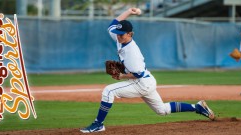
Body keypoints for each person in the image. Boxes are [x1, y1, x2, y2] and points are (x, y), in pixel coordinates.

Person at [80, 8, 215, 133]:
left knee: (108, 91)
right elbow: (112, 25)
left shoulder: (133, 53)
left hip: (141, 82)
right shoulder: (118, 38)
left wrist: (121, 76)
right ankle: (197, 107)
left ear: (130, 34)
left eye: (122, 34)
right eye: (118, 33)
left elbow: (137, 74)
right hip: (147, 80)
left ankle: (99, 124)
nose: (119, 36)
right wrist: (129, 11)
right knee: (162, 110)